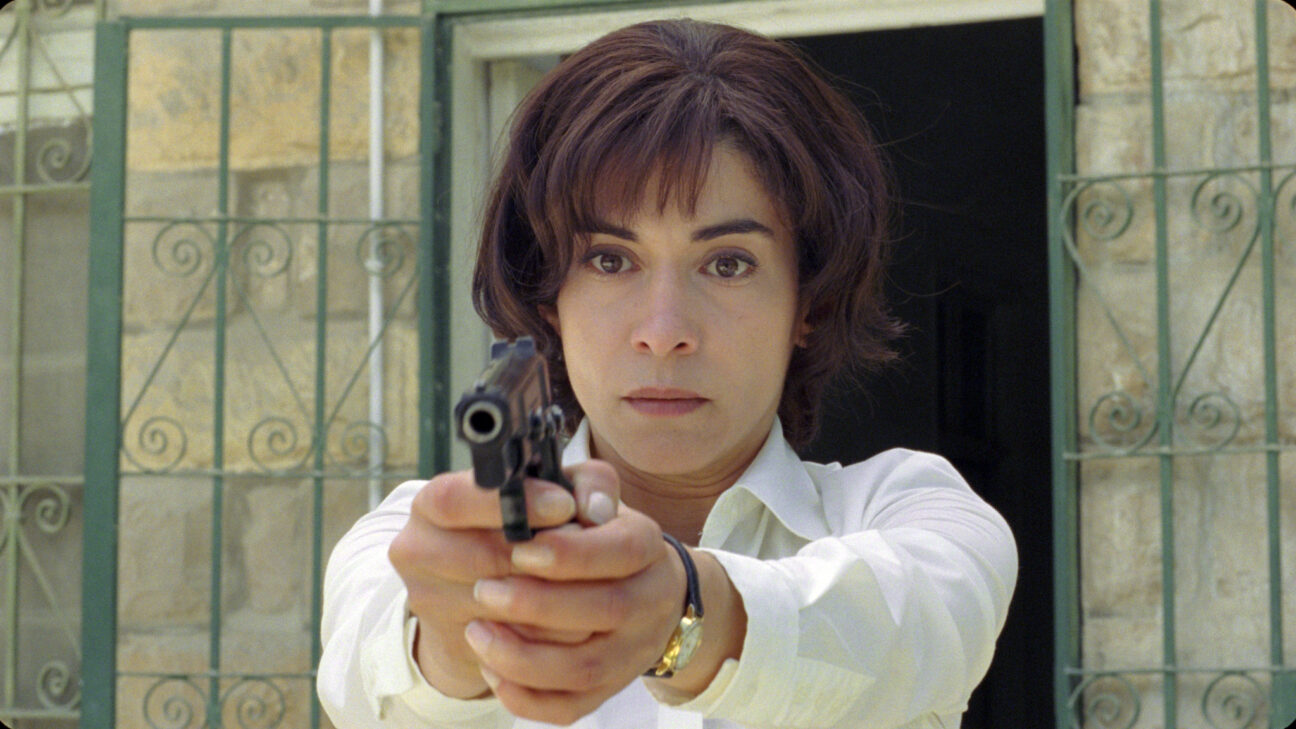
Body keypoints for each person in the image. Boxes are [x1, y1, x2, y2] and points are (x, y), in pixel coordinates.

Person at [317, 17, 1017, 729]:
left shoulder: (917, 514)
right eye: (610, 260)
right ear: (547, 298)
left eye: (728, 264)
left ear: (810, 302)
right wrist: (453, 640)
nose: (663, 332)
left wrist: (681, 610)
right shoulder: (409, 540)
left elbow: (902, 627)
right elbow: (372, 678)